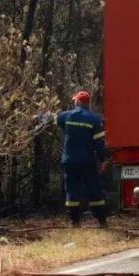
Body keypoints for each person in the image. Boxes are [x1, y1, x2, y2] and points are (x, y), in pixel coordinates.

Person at [56, 90, 108, 227]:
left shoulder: (66, 116)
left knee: (72, 190)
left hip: (70, 161)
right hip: (88, 161)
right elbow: (99, 144)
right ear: (88, 103)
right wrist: (103, 160)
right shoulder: (94, 119)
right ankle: (102, 221)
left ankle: (75, 222)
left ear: (78, 102)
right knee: (94, 189)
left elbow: (54, 120)